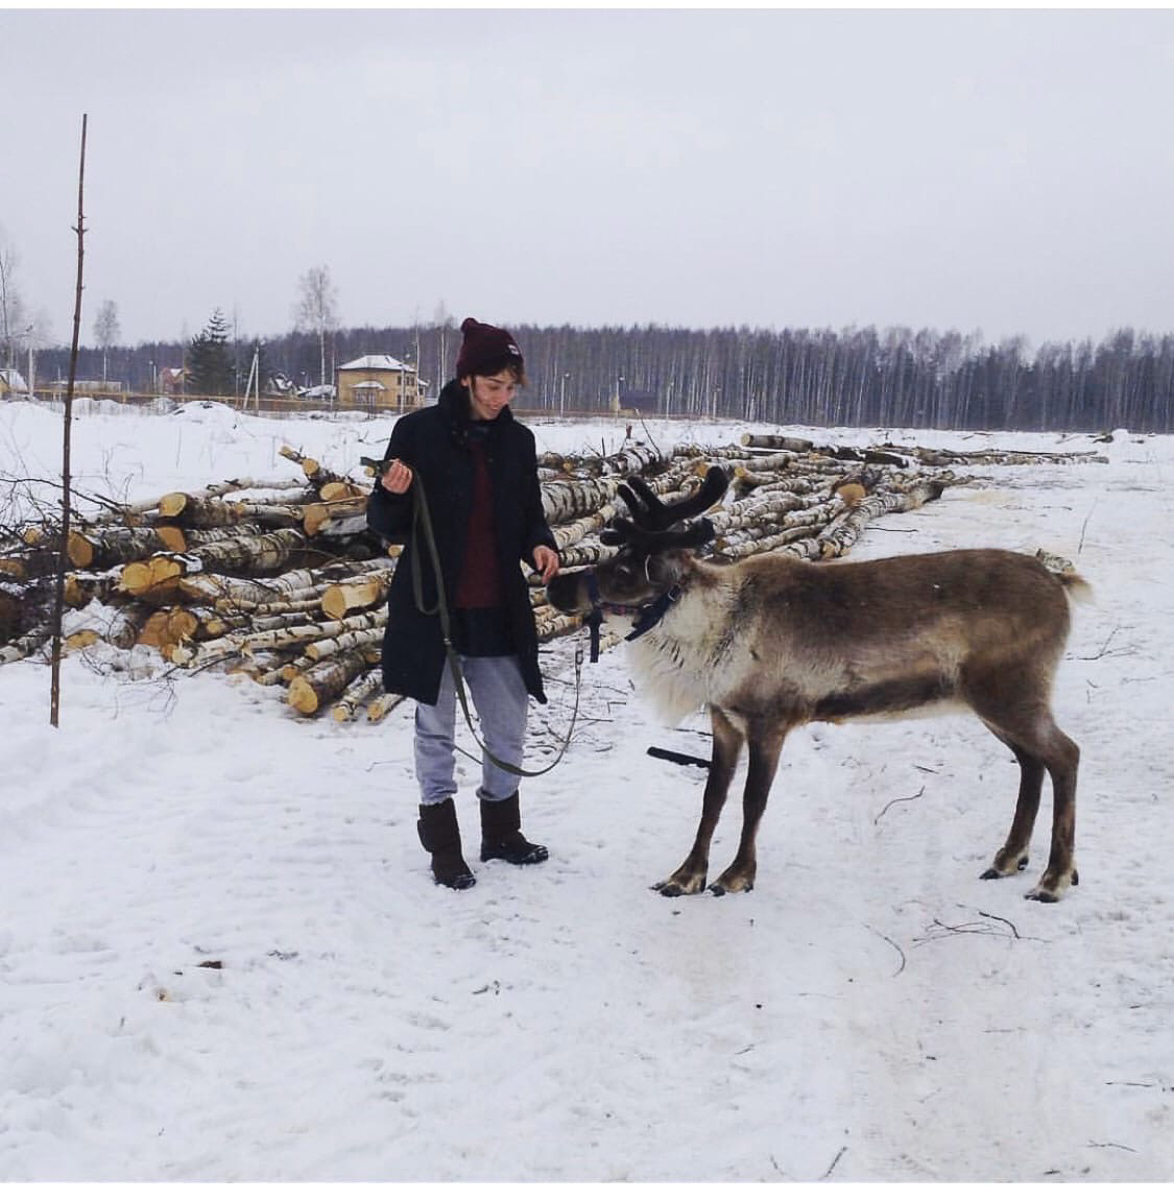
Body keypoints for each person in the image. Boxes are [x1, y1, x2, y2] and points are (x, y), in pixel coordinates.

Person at [366, 318, 561, 889]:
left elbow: (529, 514)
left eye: (510, 388)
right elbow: (386, 527)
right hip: (434, 610)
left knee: (508, 726)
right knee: (436, 731)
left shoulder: (518, 442)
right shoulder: (418, 433)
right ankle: (444, 846)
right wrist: (389, 493)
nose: (502, 398)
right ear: (468, 378)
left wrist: (541, 545)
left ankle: (501, 833)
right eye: (493, 385)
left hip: (498, 608)